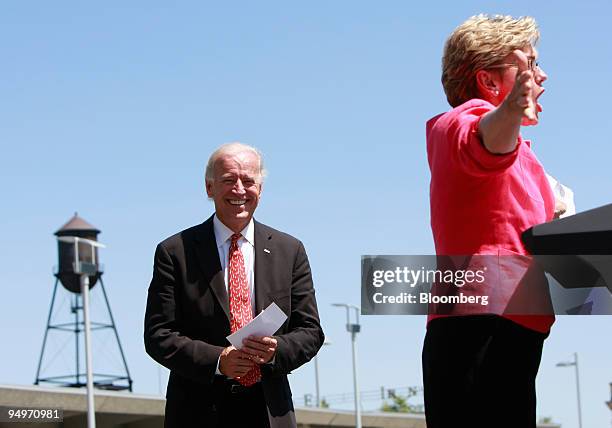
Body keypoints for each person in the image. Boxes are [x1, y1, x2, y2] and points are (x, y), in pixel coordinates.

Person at [423, 15, 558, 428]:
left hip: (517, 322)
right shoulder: (460, 123)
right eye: (530, 65)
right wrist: (513, 107)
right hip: (478, 325)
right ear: (490, 82)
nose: (542, 75)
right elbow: (485, 139)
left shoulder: (525, 155)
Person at [144, 142, 324, 428]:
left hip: (269, 411)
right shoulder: (175, 251)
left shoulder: (290, 251)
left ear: (260, 189)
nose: (239, 190)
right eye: (228, 180)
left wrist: (276, 349)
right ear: (209, 188)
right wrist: (219, 360)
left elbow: (311, 332)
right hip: (198, 412)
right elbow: (158, 335)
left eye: (248, 181)